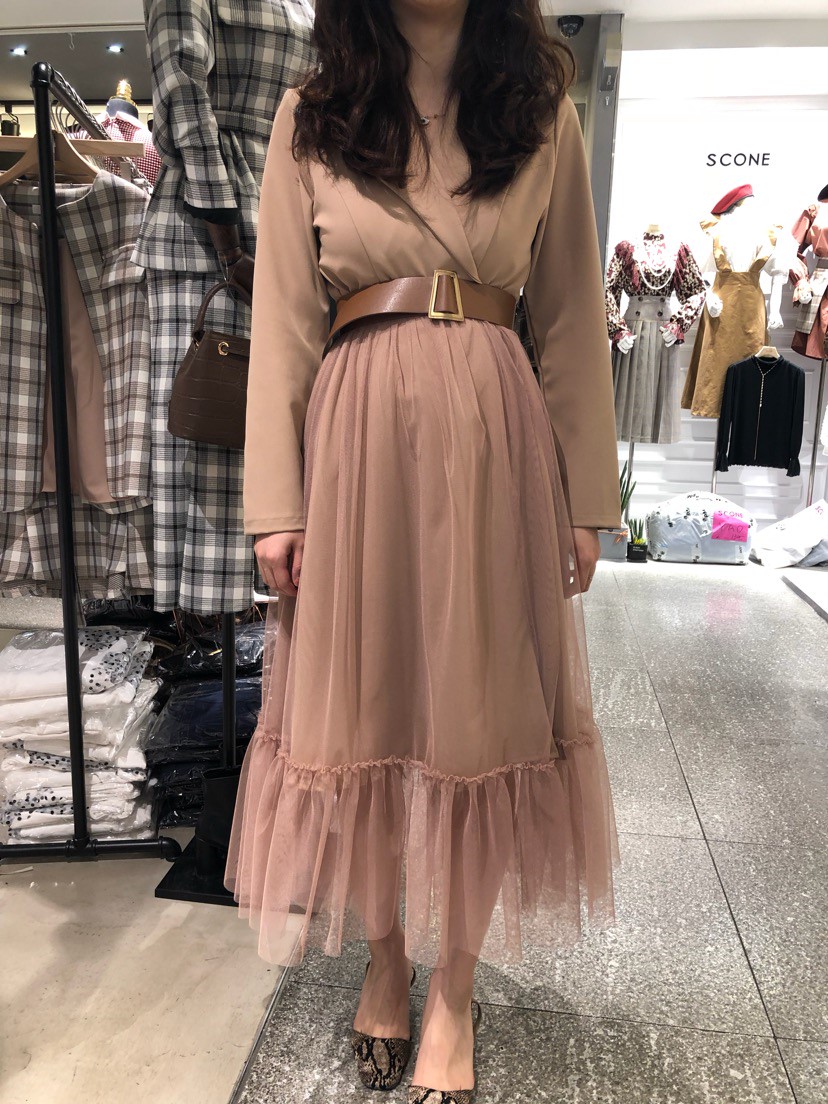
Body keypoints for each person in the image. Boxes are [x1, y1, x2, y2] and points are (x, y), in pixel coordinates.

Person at [225, 1, 622, 1100]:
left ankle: (455, 984)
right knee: (362, 714)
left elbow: (569, 311)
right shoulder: (315, 111)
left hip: (495, 444)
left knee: (483, 716)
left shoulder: (539, 108)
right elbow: (285, 317)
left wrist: (585, 497)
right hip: (356, 445)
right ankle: (385, 952)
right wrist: (276, 503)